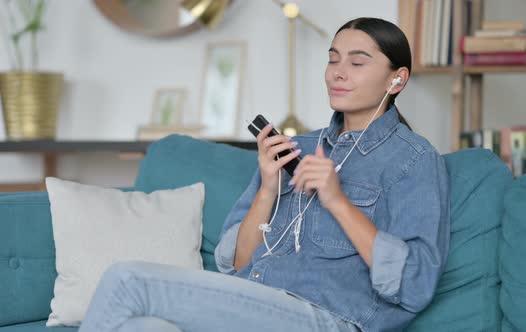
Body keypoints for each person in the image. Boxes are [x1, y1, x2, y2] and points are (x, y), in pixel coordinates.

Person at [79, 17, 450, 332]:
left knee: (126, 280)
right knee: (141, 327)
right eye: (333, 59)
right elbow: (239, 264)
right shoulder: (294, 148)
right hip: (258, 302)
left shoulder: (413, 160)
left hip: (327, 318)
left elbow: (414, 284)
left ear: (396, 80)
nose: (338, 72)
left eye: (357, 62)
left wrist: (336, 200)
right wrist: (268, 189)